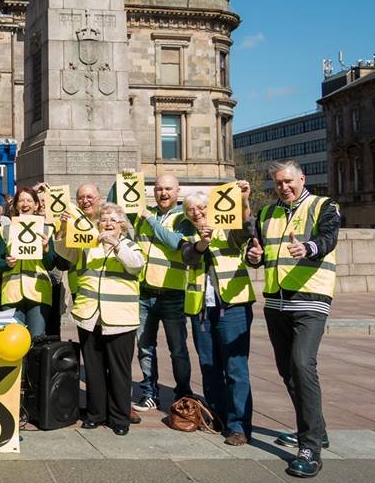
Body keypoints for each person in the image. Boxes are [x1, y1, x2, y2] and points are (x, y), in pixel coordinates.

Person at [247, 160, 340, 478]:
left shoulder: (323, 205)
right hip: (276, 301)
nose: (283, 187)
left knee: (302, 364)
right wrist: (253, 256)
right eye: (277, 183)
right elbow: (256, 248)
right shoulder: (267, 213)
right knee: (288, 372)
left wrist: (310, 247)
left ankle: (310, 447)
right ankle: (318, 430)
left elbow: (329, 237)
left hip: (311, 299)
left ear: (302, 178)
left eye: (288, 181)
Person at [56, 203, 143, 435]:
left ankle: (119, 418)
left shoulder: (129, 245)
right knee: (93, 369)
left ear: (122, 225)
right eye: (104, 219)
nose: (108, 223)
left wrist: (115, 245)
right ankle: (96, 414)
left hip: (120, 320)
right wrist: (64, 229)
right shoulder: (89, 246)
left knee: (119, 370)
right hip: (89, 316)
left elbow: (136, 265)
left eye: (113, 220)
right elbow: (65, 253)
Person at [180, 184, 255, 446]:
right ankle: (218, 416)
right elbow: (188, 257)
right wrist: (201, 243)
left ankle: (239, 426)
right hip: (201, 309)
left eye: (201, 208)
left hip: (232, 306)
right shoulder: (187, 232)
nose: (197, 213)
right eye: (191, 210)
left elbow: (246, 231)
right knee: (209, 366)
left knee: (235, 367)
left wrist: (244, 202)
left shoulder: (227, 226)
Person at [128, 174, 193, 412]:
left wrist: (152, 221)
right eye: (158, 189)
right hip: (145, 291)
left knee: (178, 348)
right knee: (144, 346)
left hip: (172, 291)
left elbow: (177, 243)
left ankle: (183, 394)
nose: (163, 193)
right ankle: (149, 392)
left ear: (178, 192)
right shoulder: (143, 216)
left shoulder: (184, 216)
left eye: (168, 189)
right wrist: (122, 180)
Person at [0, 187, 57, 338]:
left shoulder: (46, 230)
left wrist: (46, 249)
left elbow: (50, 265)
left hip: (38, 293)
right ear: (15, 205)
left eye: (29, 200)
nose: (25, 203)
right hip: (11, 293)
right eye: (21, 200)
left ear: (36, 205)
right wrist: (6, 263)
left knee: (37, 339)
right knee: (13, 340)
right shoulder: (5, 230)